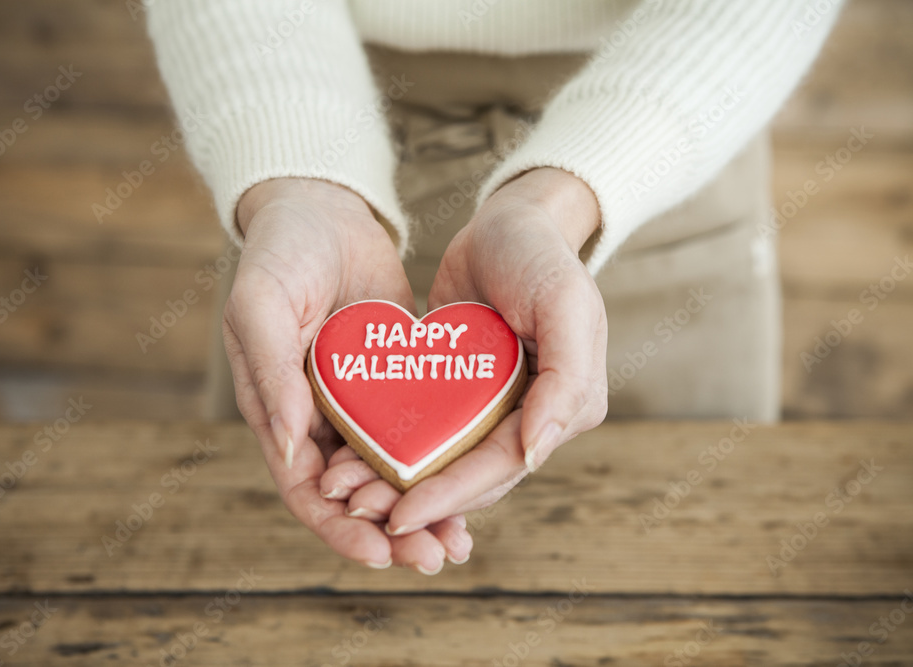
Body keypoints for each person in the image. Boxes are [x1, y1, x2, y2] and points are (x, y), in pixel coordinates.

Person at [147, 0, 841, 574]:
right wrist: (297, 182)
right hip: (300, 133)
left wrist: (562, 201)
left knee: (686, 579)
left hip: (667, 131)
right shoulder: (302, 231)